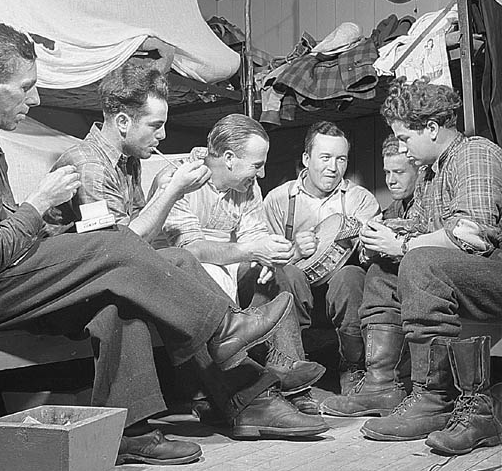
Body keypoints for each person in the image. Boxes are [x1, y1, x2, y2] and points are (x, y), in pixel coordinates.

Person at [0, 24, 321, 466]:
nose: (36, 99)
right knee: (115, 244)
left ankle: (134, 430)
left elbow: (4, 237)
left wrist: (46, 228)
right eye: (26, 87)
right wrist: (39, 202)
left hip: (6, 280)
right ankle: (223, 332)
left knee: (124, 301)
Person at [54, 63, 330, 438]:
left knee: (197, 271)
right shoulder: (89, 165)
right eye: (155, 125)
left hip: (115, 275)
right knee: (182, 263)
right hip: (74, 288)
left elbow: (129, 245)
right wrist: (170, 193)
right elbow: (114, 253)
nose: (164, 135)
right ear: (122, 121)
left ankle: (250, 389)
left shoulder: (126, 162)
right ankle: (254, 378)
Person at [326, 76, 502, 456]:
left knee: (418, 259)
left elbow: (474, 234)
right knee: (384, 269)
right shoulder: (430, 173)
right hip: (462, 274)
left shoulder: (474, 154)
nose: (402, 149)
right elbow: (419, 227)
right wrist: (383, 236)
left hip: (494, 272)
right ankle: (381, 384)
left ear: (434, 129)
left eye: (405, 138)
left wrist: (404, 244)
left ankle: (433, 397)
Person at [160, 114, 327, 416]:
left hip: (226, 264)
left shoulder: (246, 185)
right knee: (207, 274)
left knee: (276, 272)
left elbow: (255, 235)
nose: (262, 174)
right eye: (257, 165)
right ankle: (248, 387)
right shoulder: (179, 177)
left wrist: (265, 255)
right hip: (179, 274)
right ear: (228, 158)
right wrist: (251, 250)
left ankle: (289, 376)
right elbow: (190, 251)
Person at [264, 121, 380, 399]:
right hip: (295, 295)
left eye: (341, 159)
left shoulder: (359, 199)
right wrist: (293, 250)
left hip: (339, 297)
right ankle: (295, 368)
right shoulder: (279, 199)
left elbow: (371, 251)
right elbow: (263, 259)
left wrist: (366, 240)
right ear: (306, 159)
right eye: (325, 158)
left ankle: (352, 367)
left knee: (350, 275)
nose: (333, 167)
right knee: (287, 273)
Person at [320, 133, 419, 417]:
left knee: (377, 273)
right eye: (387, 172)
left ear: (418, 169)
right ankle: (366, 376)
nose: (390, 180)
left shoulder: (423, 199)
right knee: (354, 275)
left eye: (399, 172)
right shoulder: (394, 207)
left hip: (422, 279)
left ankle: (382, 383)